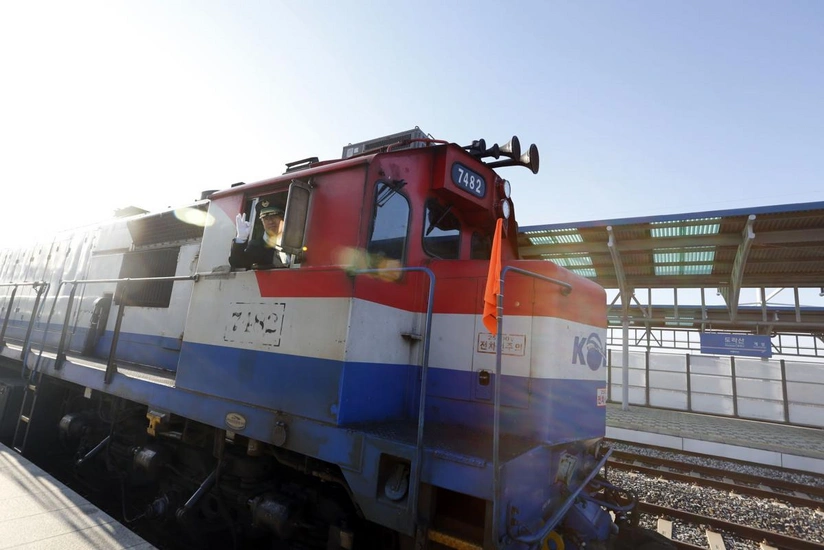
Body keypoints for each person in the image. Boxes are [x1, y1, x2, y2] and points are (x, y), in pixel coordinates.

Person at [229, 200, 288, 269]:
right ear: (262, 222)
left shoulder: (296, 239)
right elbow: (237, 263)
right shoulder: (257, 246)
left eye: (274, 217)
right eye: (266, 219)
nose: (271, 222)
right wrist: (241, 238)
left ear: (283, 218)